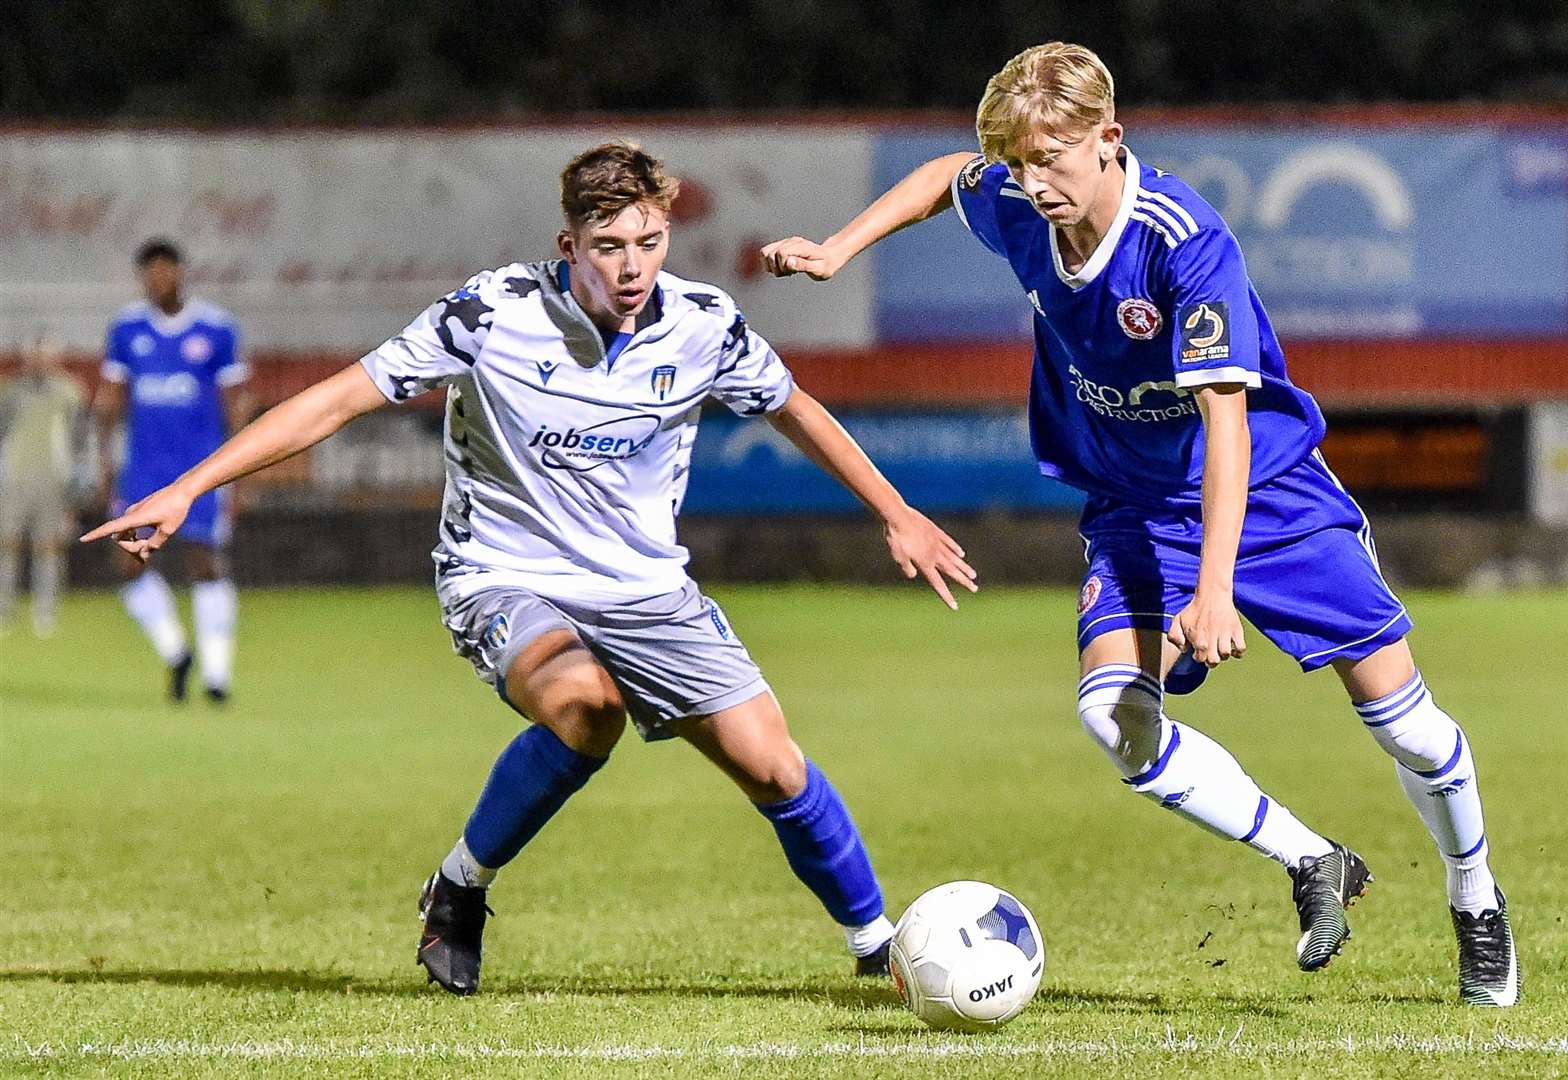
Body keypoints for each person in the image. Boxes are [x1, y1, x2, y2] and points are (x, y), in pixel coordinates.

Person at [86, 142, 977, 996]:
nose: (632, 267)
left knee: (774, 767)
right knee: (587, 706)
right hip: (502, 574)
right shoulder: (490, 315)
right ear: (568, 245)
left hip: (646, 589)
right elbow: (338, 399)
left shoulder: (703, 325)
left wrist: (896, 513)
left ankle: (879, 948)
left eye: (649, 243)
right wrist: (187, 488)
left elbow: (795, 408)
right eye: (608, 247)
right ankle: (461, 888)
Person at [763, 42, 1516, 1007]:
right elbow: (944, 178)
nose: (1032, 185)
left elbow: (1226, 425)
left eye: (1052, 160)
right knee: (1114, 718)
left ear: (1108, 138)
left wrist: (1211, 593)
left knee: (1406, 728)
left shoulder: (1181, 240)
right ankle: (1312, 859)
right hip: (1133, 506)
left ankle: (1475, 897)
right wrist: (837, 247)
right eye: (1020, 164)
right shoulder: (1016, 199)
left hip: (1270, 500)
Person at [93, 239, 252, 703]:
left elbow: (236, 404)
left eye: (165, 271)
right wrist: (105, 465)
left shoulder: (216, 329)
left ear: (181, 272)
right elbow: (111, 400)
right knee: (128, 560)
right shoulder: (127, 329)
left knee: (205, 560)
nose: (157, 280)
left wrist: (238, 473)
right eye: (149, 273)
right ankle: (176, 651)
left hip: (201, 470)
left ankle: (217, 675)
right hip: (144, 468)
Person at [0, 331, 85, 637]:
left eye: (44, 356)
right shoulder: (10, 392)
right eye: (33, 356)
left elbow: (77, 440)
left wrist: (77, 482)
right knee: (7, 544)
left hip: (53, 480)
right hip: (15, 479)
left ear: (54, 359)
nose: (38, 362)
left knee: (47, 548)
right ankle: (4, 609)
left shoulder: (70, 392)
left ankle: (45, 612)